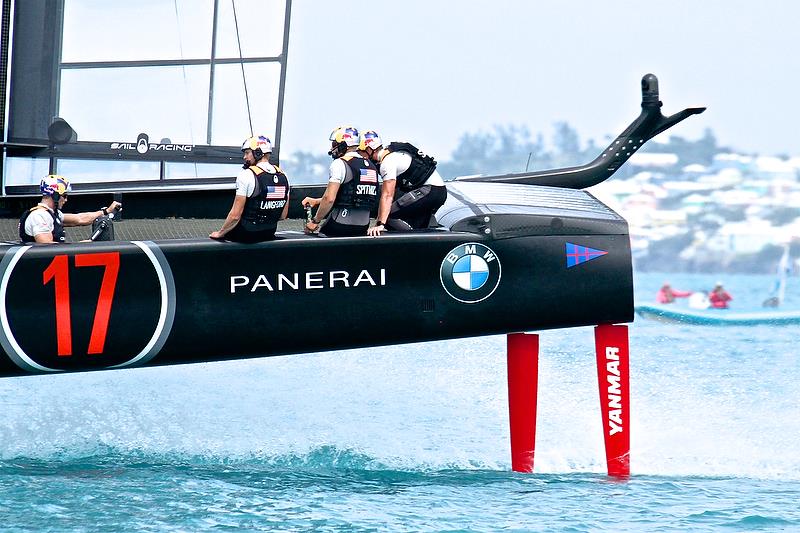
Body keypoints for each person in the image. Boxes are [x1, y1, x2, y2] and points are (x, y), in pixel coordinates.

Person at [358, 131, 447, 236]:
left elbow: (387, 195)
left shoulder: (387, 163)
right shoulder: (393, 152)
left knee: (388, 216)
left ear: (369, 149)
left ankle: (411, 241)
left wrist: (380, 223)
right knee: (414, 222)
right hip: (438, 191)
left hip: (429, 191)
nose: (359, 155)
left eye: (360, 151)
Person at [210, 135, 290, 243]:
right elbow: (283, 215)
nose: (244, 157)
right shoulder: (283, 176)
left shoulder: (246, 175)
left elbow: (235, 215)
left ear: (258, 153)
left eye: (247, 153)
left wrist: (220, 233)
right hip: (269, 232)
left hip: (245, 234)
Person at [302, 126, 378, 237]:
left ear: (344, 145)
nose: (333, 148)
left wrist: (315, 221)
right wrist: (318, 201)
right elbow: (352, 195)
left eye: (334, 144)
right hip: (363, 225)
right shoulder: (371, 166)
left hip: (340, 224)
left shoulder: (339, 163)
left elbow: (329, 198)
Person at [19, 174, 122, 244]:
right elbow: (46, 247)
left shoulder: (52, 213)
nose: (66, 200)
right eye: (64, 195)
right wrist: (77, 247)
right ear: (55, 196)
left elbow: (80, 219)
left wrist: (106, 211)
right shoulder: (39, 216)